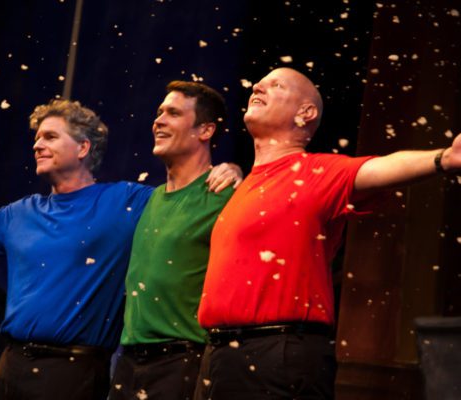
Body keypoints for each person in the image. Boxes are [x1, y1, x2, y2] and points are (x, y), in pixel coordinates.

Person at [0, 99, 237, 400]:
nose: (37, 145)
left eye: (49, 136)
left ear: (83, 148)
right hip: (11, 364)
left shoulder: (126, 202)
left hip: (74, 370)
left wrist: (231, 170)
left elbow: (182, 194)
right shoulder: (21, 213)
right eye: (36, 138)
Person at [194, 67, 461, 400]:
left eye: (276, 85)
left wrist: (445, 158)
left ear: (306, 113)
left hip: (277, 355)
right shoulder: (247, 183)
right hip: (220, 356)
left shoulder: (317, 172)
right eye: (259, 83)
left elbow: (380, 168)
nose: (258, 86)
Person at [108, 81, 240, 400]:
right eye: (159, 112)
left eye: (173, 113)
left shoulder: (225, 197)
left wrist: (236, 170)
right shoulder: (147, 200)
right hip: (128, 362)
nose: (159, 120)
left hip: (182, 362)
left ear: (205, 130)